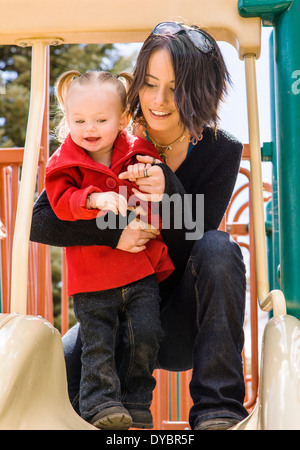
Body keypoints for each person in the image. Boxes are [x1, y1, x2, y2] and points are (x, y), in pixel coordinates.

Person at [30, 22, 248, 430]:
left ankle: (218, 409)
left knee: (220, 246)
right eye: (148, 84)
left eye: (175, 88)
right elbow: (41, 221)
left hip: (181, 315)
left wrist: (169, 189)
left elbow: (198, 236)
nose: (159, 101)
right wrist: (115, 232)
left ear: (201, 90)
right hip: (115, 308)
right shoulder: (109, 130)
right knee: (53, 381)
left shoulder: (222, 149)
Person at [44, 69, 174, 429]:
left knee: (145, 332)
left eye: (100, 119)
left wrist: (151, 203)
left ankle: (135, 399)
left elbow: (159, 199)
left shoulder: (137, 153)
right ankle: (100, 404)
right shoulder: (65, 161)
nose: (89, 128)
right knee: (98, 342)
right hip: (93, 274)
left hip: (138, 269)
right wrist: (93, 198)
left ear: (122, 119)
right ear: (67, 118)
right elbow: (58, 203)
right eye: (79, 119)